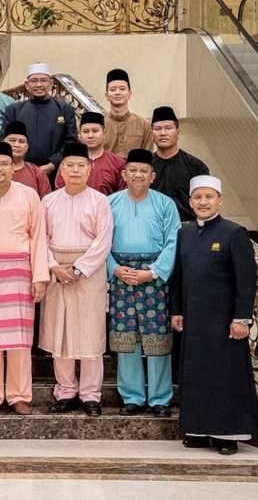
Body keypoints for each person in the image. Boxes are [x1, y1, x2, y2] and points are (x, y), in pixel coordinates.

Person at [171, 175, 258, 455]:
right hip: (194, 319)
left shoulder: (234, 233)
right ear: (190, 202)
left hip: (224, 322)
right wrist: (176, 310)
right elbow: (179, 274)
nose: (203, 202)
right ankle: (198, 429)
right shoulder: (184, 232)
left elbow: (246, 281)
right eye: (198, 198)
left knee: (224, 376)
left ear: (219, 200)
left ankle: (226, 434)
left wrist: (241, 318)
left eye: (209, 197)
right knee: (196, 373)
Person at [0, 143, 49, 416]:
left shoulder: (29, 196)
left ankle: (19, 395)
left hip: (20, 272)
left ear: (12, 167)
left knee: (19, 340)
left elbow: (39, 236)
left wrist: (40, 276)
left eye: (4, 163)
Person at [40, 142, 114, 417]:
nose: (74, 170)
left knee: (90, 334)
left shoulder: (100, 201)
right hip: (57, 272)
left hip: (89, 274)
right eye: (69, 165)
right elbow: (40, 239)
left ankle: (91, 395)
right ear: (61, 169)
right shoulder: (49, 201)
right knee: (60, 334)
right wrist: (54, 267)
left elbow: (103, 241)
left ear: (89, 168)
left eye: (80, 165)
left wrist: (80, 269)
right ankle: (65, 391)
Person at [107, 149, 180, 417]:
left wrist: (154, 272)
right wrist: (114, 269)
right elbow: (100, 241)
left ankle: (160, 398)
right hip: (121, 276)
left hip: (154, 278)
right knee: (126, 338)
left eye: (143, 171)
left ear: (152, 175)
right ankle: (132, 396)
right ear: (124, 175)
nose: (138, 175)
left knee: (157, 338)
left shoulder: (165, 204)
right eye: (133, 171)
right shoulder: (110, 203)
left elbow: (174, 241)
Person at [2, 63, 77, 183]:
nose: (39, 85)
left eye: (43, 80)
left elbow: (71, 142)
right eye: (34, 81)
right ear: (26, 84)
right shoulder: (14, 110)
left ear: (51, 83)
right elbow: (5, 141)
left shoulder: (65, 110)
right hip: (19, 171)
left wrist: (52, 164)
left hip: (55, 172)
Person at [151, 105, 210, 221]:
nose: (163, 133)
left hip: (187, 230)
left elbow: (206, 204)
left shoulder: (196, 166)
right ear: (151, 133)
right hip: (152, 229)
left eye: (168, 128)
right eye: (158, 129)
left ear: (178, 132)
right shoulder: (145, 167)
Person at [54, 112, 125, 195]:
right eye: (85, 131)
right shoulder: (68, 163)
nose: (90, 135)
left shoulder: (117, 164)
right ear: (79, 135)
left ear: (104, 133)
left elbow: (122, 197)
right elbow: (60, 193)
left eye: (95, 131)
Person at [0, 121, 51, 198]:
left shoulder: (37, 173)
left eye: (21, 141)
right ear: (3, 142)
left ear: (27, 146)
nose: (17, 145)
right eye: (12, 140)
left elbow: (45, 203)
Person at [102, 68, 153, 157]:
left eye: (122, 89)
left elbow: (148, 157)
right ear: (107, 96)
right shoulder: (100, 125)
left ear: (129, 94)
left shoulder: (143, 125)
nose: (117, 93)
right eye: (113, 89)